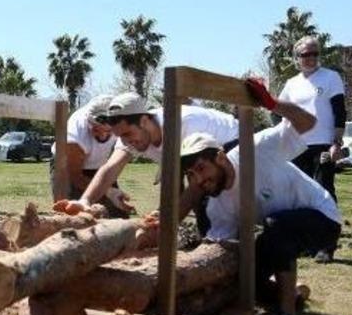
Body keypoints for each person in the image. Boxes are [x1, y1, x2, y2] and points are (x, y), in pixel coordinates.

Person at [179, 79, 341, 315]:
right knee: (246, 274)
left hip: (322, 220)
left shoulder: (255, 149)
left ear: (221, 158)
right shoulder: (218, 203)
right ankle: (288, 297)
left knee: (276, 226)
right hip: (280, 229)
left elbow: (308, 122)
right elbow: (220, 243)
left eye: (202, 168)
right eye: (192, 175)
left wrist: (272, 103)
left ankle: (287, 314)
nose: (200, 180)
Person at [54, 92, 239, 227]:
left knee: (208, 204)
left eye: (128, 134)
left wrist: (167, 223)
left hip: (234, 145)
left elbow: (194, 185)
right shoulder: (131, 136)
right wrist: (85, 201)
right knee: (198, 208)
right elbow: (110, 168)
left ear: (144, 121)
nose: (127, 142)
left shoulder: (182, 124)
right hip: (200, 159)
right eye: (121, 137)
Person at [277, 36, 347, 201]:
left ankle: (331, 225)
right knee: (299, 192)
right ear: (297, 57)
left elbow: (340, 112)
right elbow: (279, 112)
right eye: (306, 54)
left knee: (324, 191)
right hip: (297, 145)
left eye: (315, 54)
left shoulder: (331, 77)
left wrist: (336, 143)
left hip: (323, 145)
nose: (311, 58)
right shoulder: (291, 83)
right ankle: (303, 227)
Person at [51, 95, 129, 217]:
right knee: (73, 215)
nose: (102, 136)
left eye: (108, 132)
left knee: (117, 215)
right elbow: (75, 176)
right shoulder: (75, 135)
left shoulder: (121, 122)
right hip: (68, 167)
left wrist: (110, 191)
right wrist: (107, 191)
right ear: (89, 122)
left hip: (99, 166)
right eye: (96, 130)